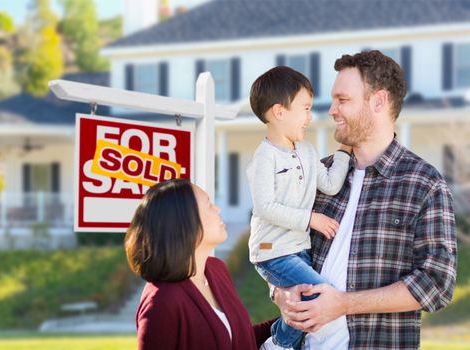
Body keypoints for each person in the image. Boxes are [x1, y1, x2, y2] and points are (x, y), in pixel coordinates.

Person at [272, 50, 457, 350]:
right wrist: (281, 293)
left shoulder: (424, 184)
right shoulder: (317, 175)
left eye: (342, 100)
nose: (331, 110)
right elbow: (279, 246)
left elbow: (437, 283)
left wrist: (344, 304)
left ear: (379, 101)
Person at [246, 66, 352, 349]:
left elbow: (329, 183)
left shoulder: (306, 151)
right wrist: (310, 219)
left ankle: (283, 344)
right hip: (272, 252)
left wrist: (343, 152)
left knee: (304, 303)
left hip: (298, 249)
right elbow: (265, 207)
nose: (310, 117)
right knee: (321, 296)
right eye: (305, 109)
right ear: (279, 112)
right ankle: (277, 344)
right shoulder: (264, 159)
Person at [125, 178, 276, 350]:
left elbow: (239, 338)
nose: (218, 209)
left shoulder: (216, 269)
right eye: (209, 205)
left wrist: (293, 321)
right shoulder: (161, 302)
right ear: (184, 223)